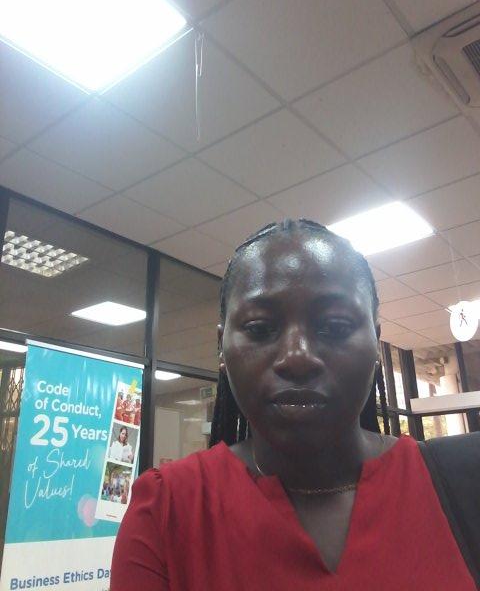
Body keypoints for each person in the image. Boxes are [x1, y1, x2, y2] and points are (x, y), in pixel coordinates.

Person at [111, 219, 476, 590]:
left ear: (376, 343)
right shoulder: (166, 511)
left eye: (335, 326)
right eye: (259, 328)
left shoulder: (465, 480)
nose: (297, 357)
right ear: (222, 348)